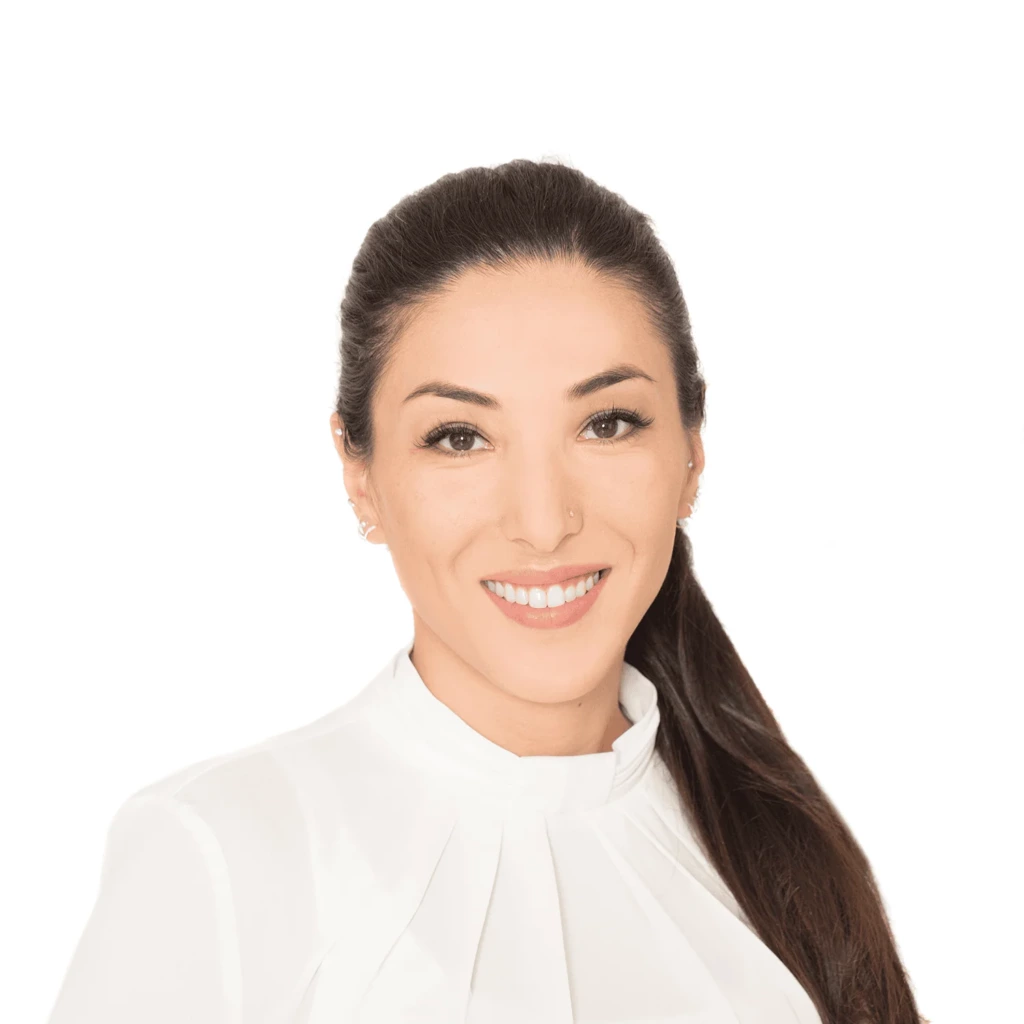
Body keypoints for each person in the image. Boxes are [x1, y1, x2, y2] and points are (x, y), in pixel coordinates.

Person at [47, 159, 925, 1024]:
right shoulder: (219, 859)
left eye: (606, 423)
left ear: (692, 454)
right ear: (360, 476)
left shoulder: (778, 858)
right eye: (460, 437)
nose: (543, 524)